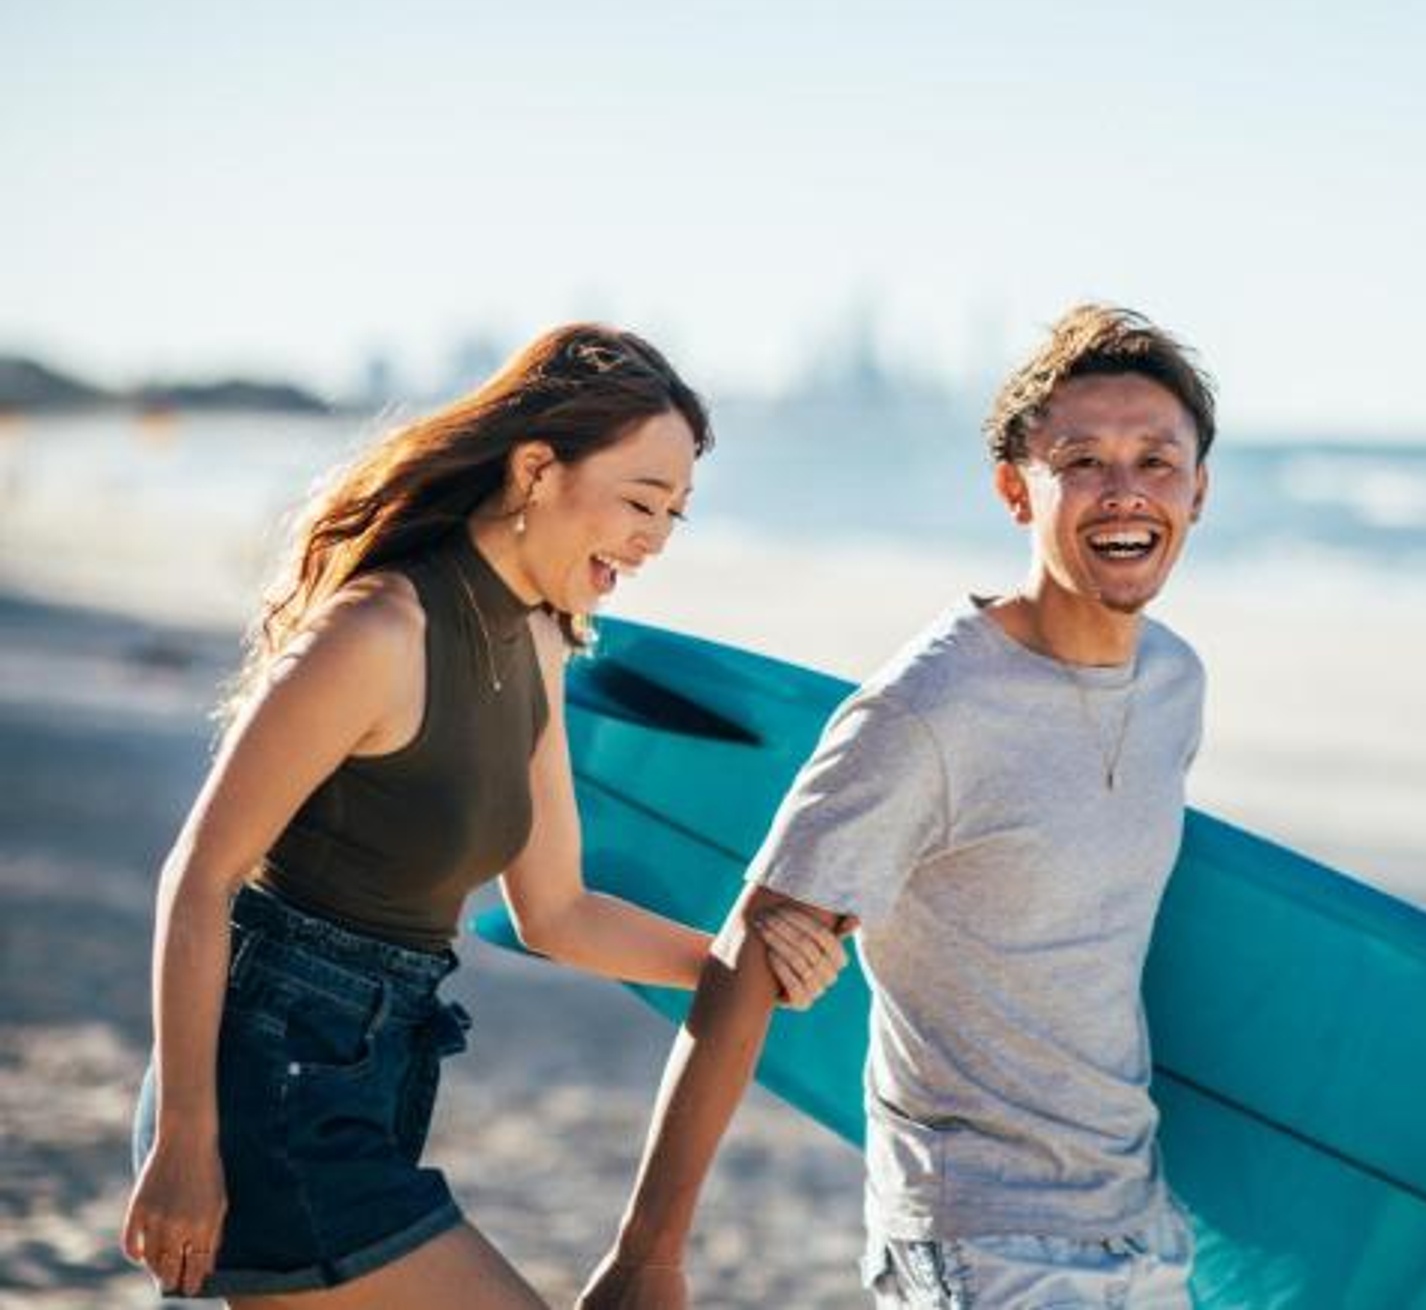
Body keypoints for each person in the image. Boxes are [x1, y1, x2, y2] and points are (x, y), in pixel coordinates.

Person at [121, 324, 853, 1306]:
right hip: (262, 1083)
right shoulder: (379, 629)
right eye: (641, 500)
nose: (654, 538)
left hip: (375, 1072)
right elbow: (201, 875)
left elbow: (557, 910)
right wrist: (183, 1143)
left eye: (675, 514)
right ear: (537, 468)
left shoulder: (542, 642)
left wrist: (743, 968)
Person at [580, 303, 1216, 1309]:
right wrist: (649, 1252)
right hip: (981, 1243)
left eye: (1156, 460)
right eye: (1082, 461)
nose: (1123, 490)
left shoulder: (1175, 683)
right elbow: (751, 952)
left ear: (1198, 489)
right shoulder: (931, 707)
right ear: (1017, 488)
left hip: (1143, 1231)